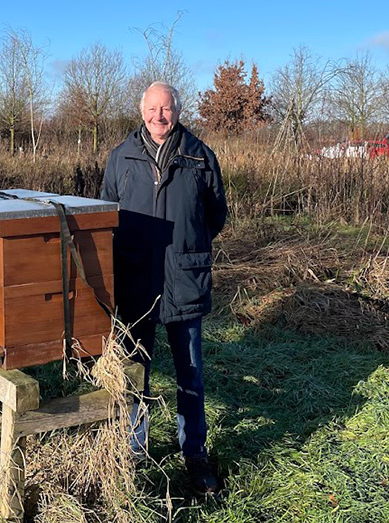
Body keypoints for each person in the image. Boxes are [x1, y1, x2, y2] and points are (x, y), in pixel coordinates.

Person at [100, 81, 227, 495]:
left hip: (184, 280)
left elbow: (215, 216)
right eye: (152, 108)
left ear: (177, 110)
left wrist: (185, 248)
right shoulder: (121, 158)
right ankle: (135, 451)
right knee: (136, 373)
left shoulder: (200, 156)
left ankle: (195, 454)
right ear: (141, 110)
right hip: (136, 282)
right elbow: (107, 215)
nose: (159, 116)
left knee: (190, 375)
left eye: (166, 108)